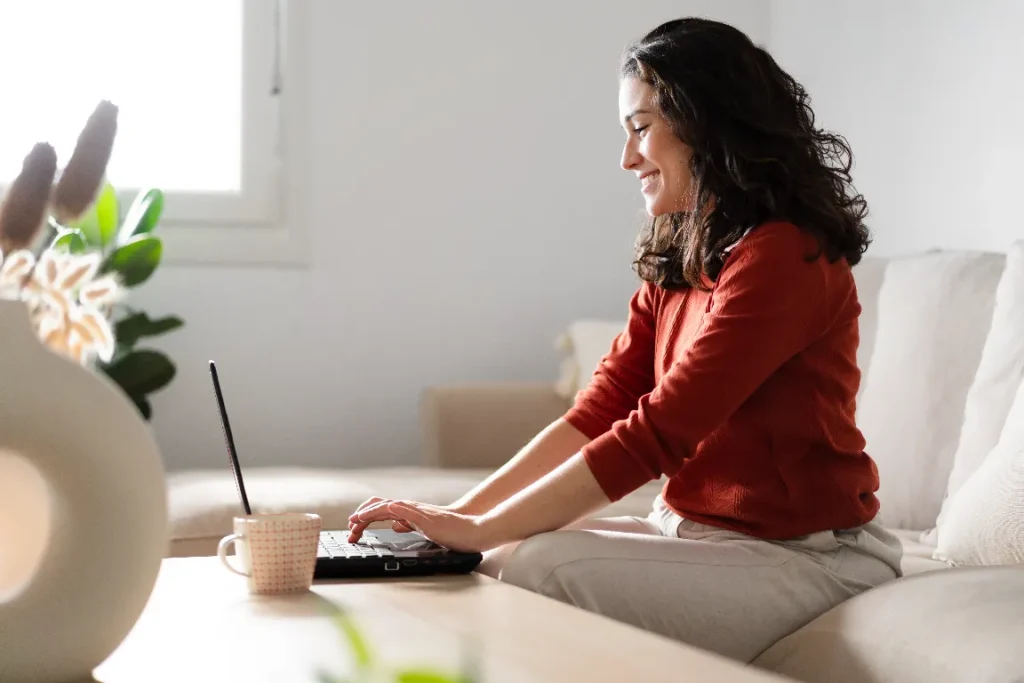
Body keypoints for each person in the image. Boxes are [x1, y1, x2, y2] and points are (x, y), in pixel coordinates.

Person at [348, 17, 903, 663]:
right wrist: (454, 518)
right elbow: (602, 405)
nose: (627, 157)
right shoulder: (685, 246)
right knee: (501, 552)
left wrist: (473, 529)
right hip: (698, 536)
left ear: (706, 121)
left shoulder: (784, 254)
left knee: (531, 566)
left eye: (641, 128)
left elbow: (659, 429)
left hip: (809, 557)